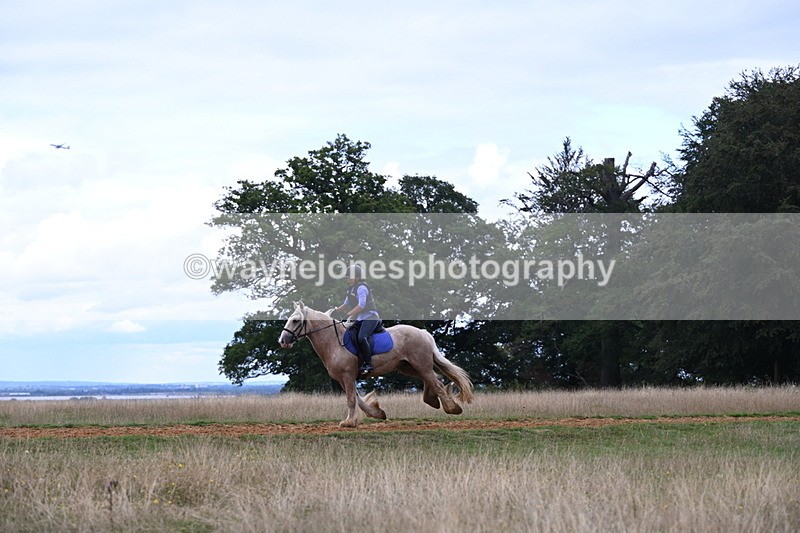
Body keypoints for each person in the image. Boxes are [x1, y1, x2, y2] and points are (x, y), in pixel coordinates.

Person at [334, 265, 381, 374]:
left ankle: (369, 365)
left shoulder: (362, 288)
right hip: (360, 319)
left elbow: (361, 306)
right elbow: (345, 304)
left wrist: (348, 314)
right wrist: (334, 311)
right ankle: (358, 362)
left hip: (371, 317)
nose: (348, 279)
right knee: (350, 335)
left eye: (350, 277)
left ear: (358, 277)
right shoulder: (351, 290)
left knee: (361, 337)